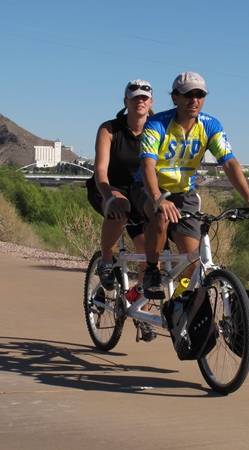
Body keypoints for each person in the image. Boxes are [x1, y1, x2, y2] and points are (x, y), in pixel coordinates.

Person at [131, 71, 249, 299]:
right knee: (160, 217)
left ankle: (180, 305)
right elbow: (147, 166)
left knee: (192, 264)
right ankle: (152, 270)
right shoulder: (157, 124)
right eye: (188, 94)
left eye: (199, 94)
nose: (194, 100)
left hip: (184, 194)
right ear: (175, 97)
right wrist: (159, 199)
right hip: (148, 188)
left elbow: (230, 163)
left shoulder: (210, 125)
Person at [86, 79, 156, 340]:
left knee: (150, 250)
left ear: (150, 103)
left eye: (144, 98)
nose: (140, 101)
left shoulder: (157, 129)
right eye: (134, 97)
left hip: (140, 193)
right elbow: (100, 170)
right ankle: (106, 259)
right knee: (120, 208)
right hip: (107, 188)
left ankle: (142, 311)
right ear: (125, 102)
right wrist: (109, 197)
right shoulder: (110, 129)